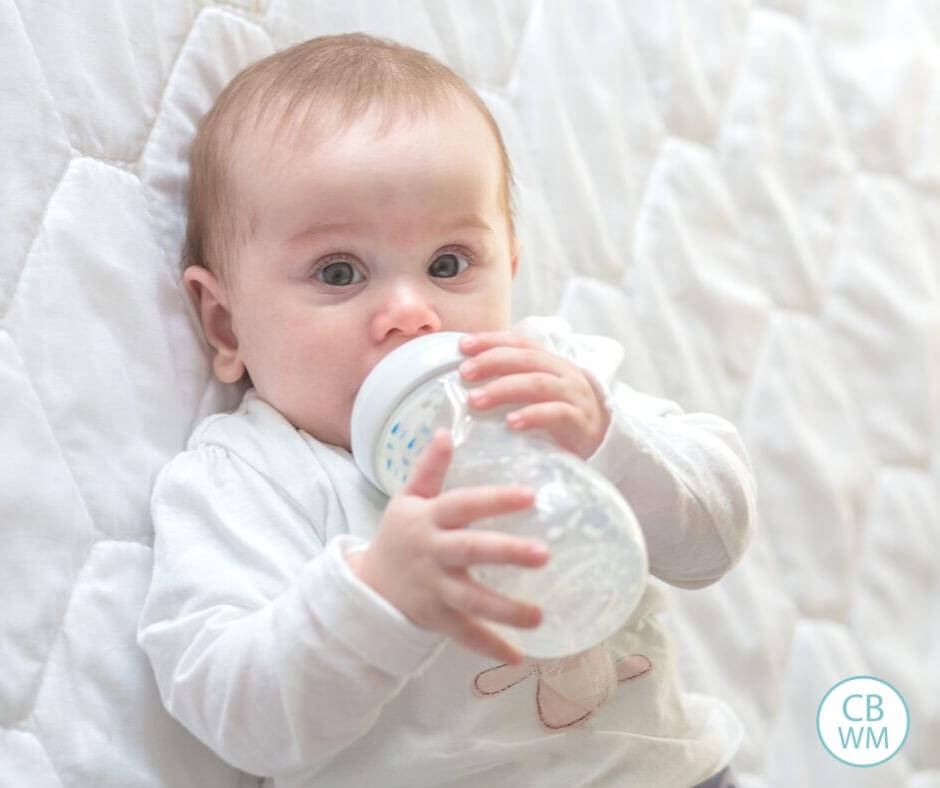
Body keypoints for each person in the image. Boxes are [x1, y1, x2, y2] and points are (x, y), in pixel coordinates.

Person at [138, 32, 753, 788]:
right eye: (339, 272)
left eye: (449, 264)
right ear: (226, 326)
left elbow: (717, 541)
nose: (411, 312)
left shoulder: (554, 385)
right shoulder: (249, 478)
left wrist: (607, 440)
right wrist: (376, 598)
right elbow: (238, 721)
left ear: (511, 268)